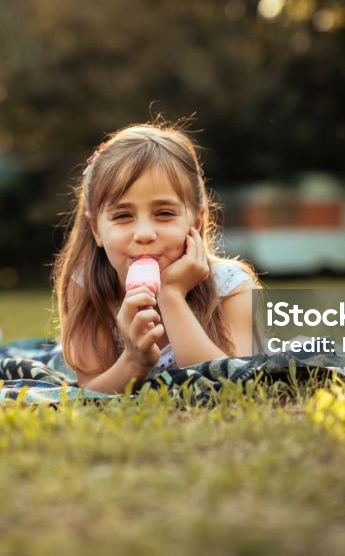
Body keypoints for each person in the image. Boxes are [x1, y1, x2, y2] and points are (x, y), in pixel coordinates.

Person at [53, 122, 259, 393]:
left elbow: (231, 386)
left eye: (164, 213)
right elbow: (90, 391)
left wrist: (171, 294)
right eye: (123, 216)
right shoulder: (86, 286)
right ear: (96, 230)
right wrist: (134, 361)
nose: (144, 234)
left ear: (196, 222)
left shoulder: (231, 288)